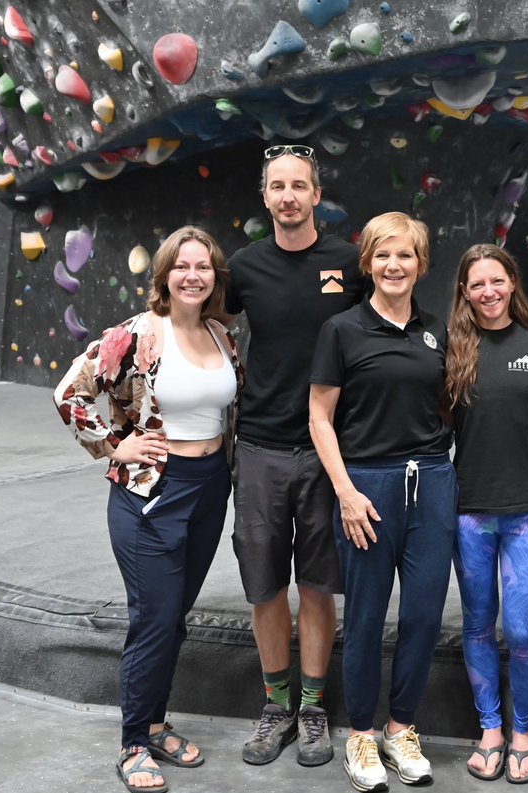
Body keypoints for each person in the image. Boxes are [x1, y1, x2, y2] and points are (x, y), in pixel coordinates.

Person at [54, 226, 242, 792]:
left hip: (210, 488)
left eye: (203, 267)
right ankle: (134, 742)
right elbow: (70, 391)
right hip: (152, 492)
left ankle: (156, 724)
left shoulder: (221, 334)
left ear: (215, 277)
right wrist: (114, 444)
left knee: (174, 618)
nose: (193, 276)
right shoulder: (138, 335)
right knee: (154, 618)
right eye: (182, 267)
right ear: (164, 275)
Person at [224, 143, 363, 768]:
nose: (288, 196)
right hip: (258, 446)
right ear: (265, 197)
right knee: (264, 587)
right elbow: (211, 329)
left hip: (328, 448)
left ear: (316, 194)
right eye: (277, 186)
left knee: (317, 584)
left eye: (298, 186)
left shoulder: (347, 262)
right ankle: (275, 704)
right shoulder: (243, 269)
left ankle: (312, 707)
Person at [308, 212, 456, 793]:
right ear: (367, 263)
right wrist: (346, 491)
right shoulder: (342, 330)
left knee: (422, 617)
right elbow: (320, 417)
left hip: (433, 486)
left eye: (406, 256)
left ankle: (400, 728)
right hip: (365, 488)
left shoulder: (436, 331)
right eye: (383, 256)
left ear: (421, 265)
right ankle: (362, 736)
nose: (394, 266)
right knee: (366, 619)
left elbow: (447, 408)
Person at [446, 245, 528, 784]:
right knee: (479, 624)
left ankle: (525, 732)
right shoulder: (454, 349)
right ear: (464, 292)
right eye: (476, 284)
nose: (487, 291)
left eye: (496, 280)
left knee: (524, 629)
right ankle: (491, 730)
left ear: (512, 283)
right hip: (469, 513)